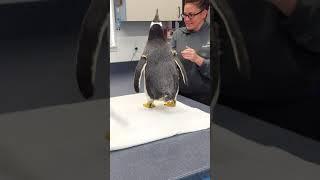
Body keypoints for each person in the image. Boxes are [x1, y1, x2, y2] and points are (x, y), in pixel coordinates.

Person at [170, 0, 211, 105]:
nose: (186, 19)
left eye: (191, 15)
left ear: (204, 14)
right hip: (179, 96)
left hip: (204, 99)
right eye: (185, 15)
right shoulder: (178, 34)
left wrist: (198, 59)